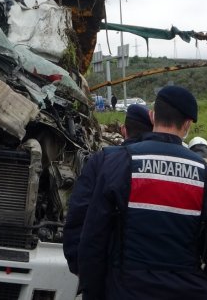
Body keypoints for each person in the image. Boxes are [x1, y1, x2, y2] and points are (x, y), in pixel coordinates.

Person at [76, 85, 207, 299]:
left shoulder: (119, 164)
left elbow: (93, 237)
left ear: (152, 116)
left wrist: (92, 290)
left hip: (125, 289)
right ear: (187, 125)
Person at [63, 103, 153, 276]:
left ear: (124, 130)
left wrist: (80, 268)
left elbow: (79, 213)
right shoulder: (161, 168)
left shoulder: (103, 160)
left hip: (111, 271)